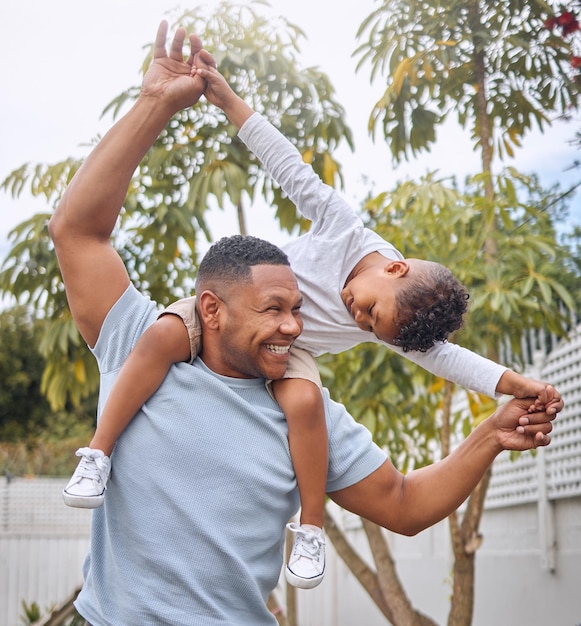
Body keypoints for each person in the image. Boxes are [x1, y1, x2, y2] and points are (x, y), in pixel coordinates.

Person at [48, 22, 562, 625]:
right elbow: (77, 230)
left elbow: (402, 500)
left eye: (300, 310)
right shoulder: (142, 343)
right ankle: (96, 455)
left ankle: (309, 531)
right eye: (274, 310)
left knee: (311, 386)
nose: (296, 325)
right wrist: (162, 103)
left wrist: (493, 428)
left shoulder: (306, 417)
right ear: (212, 309)